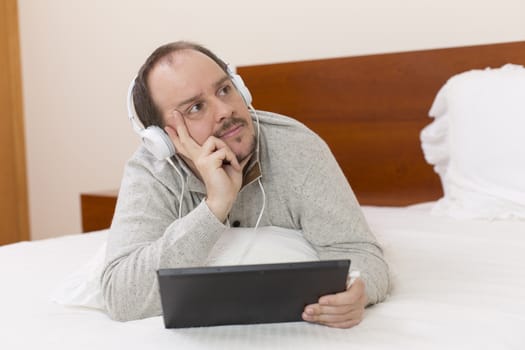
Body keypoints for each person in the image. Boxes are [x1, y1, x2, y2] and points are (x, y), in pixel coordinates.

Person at [101, 41, 390, 329]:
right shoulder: (151, 171)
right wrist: (214, 208)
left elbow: (362, 254)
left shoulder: (297, 147)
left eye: (225, 89)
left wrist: (359, 291)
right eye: (196, 107)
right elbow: (121, 297)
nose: (225, 110)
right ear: (164, 140)